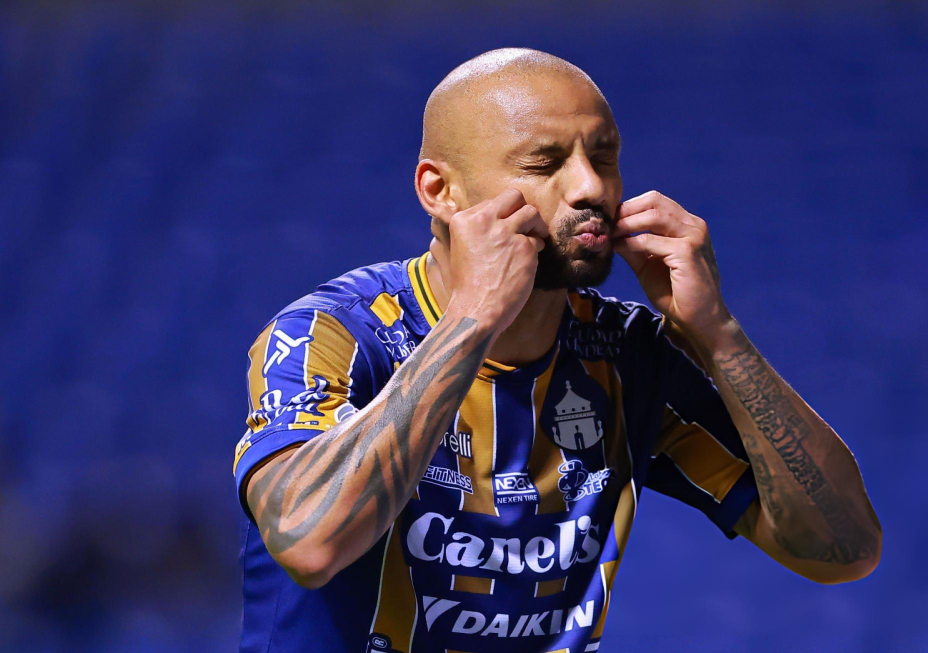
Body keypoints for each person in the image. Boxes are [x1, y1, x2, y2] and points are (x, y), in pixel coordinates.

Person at [231, 48, 882, 653]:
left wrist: (717, 335)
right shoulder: (333, 335)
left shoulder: (627, 355)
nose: (590, 188)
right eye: (545, 164)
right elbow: (309, 540)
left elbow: (842, 547)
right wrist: (474, 319)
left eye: (603, 157)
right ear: (439, 191)